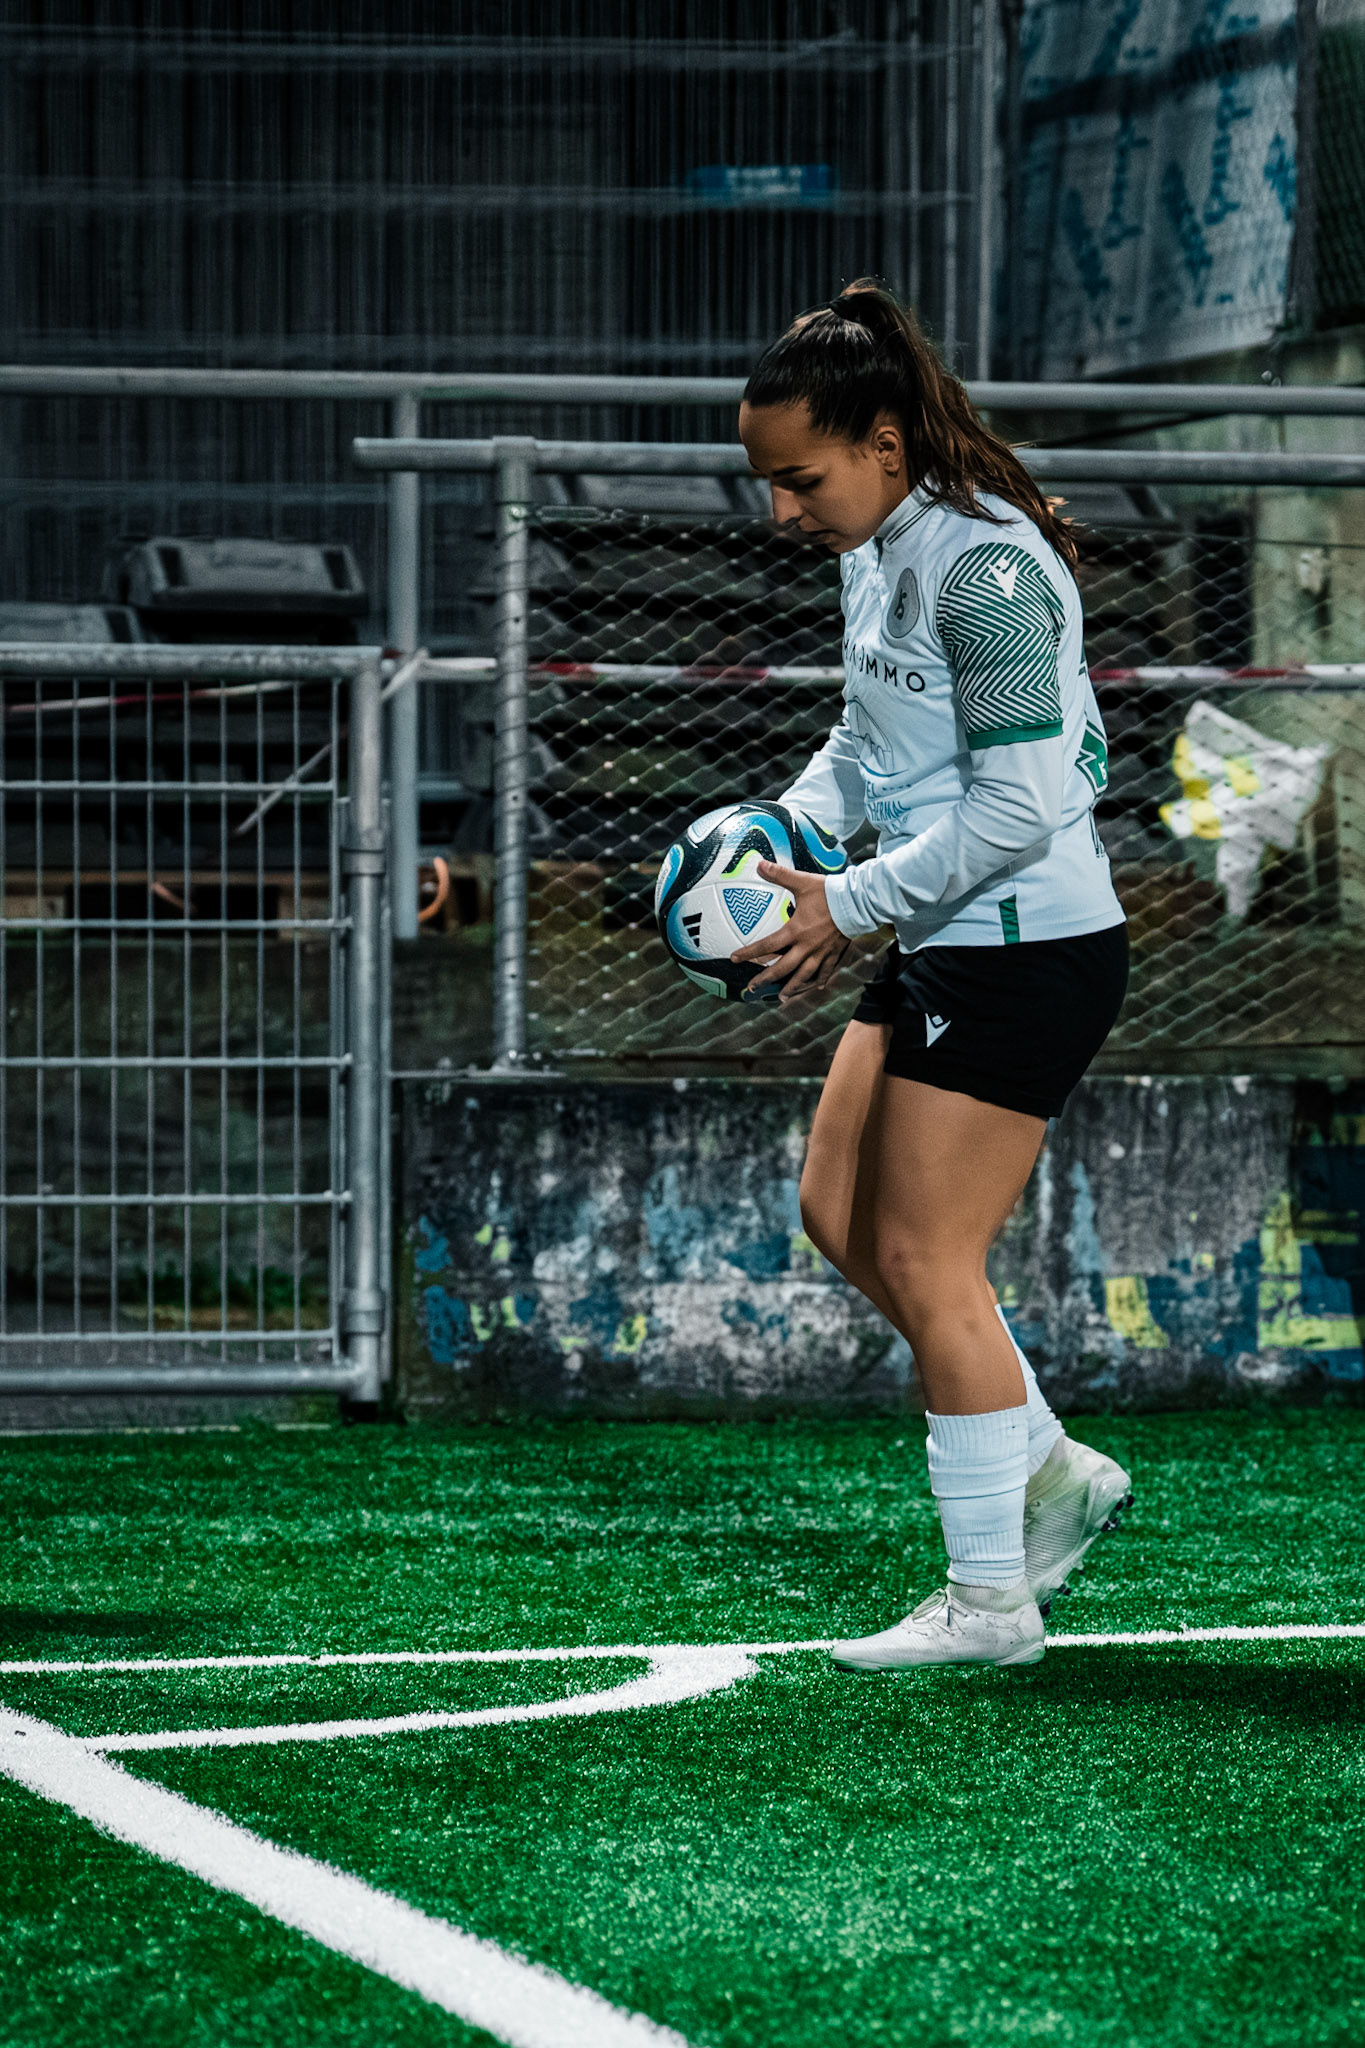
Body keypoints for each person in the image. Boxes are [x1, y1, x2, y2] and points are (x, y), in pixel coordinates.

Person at [733, 279, 1132, 1672]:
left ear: (885, 441)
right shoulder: (880, 551)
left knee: (924, 1254)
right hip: (939, 932)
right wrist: (774, 835)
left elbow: (1023, 804)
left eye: (801, 480)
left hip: (1024, 949)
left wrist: (847, 903)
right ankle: (1047, 1464)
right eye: (768, 486)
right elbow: (868, 743)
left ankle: (990, 1606)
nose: (781, 512)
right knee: (838, 1212)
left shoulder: (984, 569)